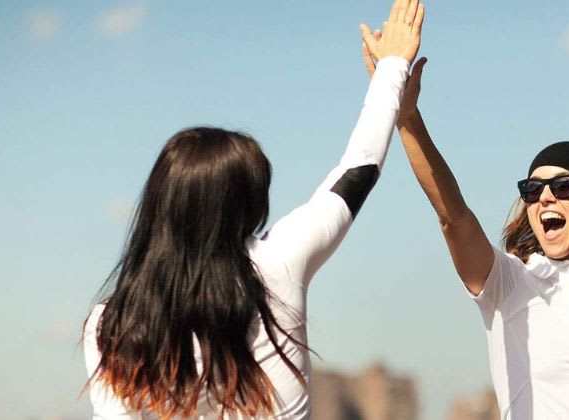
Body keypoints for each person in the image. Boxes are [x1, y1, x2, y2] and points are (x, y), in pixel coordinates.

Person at [81, 1, 424, 418]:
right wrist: (392, 69)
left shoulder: (108, 324)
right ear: (249, 204)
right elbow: (359, 169)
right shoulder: (279, 261)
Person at [362, 47, 569, 419]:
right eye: (532, 190)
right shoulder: (509, 282)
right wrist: (408, 119)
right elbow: (453, 217)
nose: (545, 197)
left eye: (563, 186)